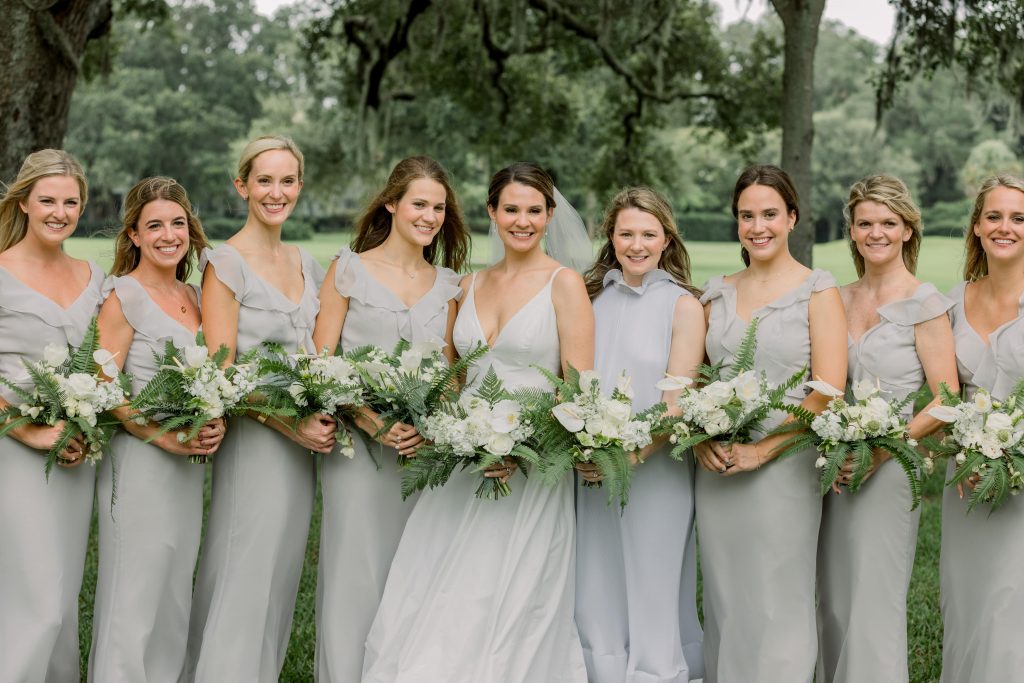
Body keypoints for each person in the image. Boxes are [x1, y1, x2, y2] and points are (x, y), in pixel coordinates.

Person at [362, 162, 594, 682]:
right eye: (511, 209)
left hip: (530, 469)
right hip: (462, 464)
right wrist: (449, 432)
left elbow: (576, 390)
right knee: (443, 589)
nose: (522, 221)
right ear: (493, 212)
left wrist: (520, 448)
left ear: (550, 215)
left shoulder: (565, 285)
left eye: (534, 211)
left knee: (511, 597)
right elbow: (452, 380)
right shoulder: (466, 286)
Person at [311, 156, 469, 682]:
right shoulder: (349, 268)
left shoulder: (448, 284)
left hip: (420, 456)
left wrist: (430, 423)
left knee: (414, 576)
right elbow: (322, 361)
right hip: (356, 453)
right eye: (419, 204)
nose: (429, 216)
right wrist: (371, 419)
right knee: (355, 573)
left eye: (438, 208)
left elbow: (450, 373)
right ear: (391, 203)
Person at [182, 136, 332, 683]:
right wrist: (288, 422)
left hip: (301, 451)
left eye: (287, 180)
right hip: (254, 444)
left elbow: (321, 356)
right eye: (264, 181)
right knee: (243, 571)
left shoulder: (306, 262)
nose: (277, 192)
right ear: (242, 186)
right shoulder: (224, 263)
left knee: (278, 576)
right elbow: (222, 374)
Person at [693, 164, 847, 683]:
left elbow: (828, 388)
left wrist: (764, 450)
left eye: (769, 215)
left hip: (786, 465)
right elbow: (692, 380)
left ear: (792, 218)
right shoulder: (714, 293)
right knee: (727, 595)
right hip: (718, 469)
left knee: (780, 595)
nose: (757, 226)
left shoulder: (817, 290)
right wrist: (699, 443)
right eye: (746, 216)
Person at [816, 175, 957, 683]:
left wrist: (882, 450)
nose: (876, 232)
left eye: (888, 223)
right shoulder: (834, 295)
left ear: (907, 231)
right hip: (827, 465)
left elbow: (947, 399)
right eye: (865, 223)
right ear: (851, 231)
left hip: (891, 465)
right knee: (830, 596)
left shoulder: (925, 303)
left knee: (874, 599)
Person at [88, 177, 226, 682]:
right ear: (134, 236)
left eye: (178, 223)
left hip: (187, 471)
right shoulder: (124, 296)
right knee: (134, 593)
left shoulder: (195, 293)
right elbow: (105, 388)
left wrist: (213, 418)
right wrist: (164, 436)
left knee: (172, 590)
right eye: (155, 226)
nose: (169, 235)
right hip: (143, 461)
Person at [575, 186, 706, 682]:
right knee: (597, 577)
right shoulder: (591, 298)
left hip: (656, 468)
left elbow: (678, 400)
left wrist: (632, 455)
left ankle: (658, 671)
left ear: (666, 239)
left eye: (649, 234)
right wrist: (588, 448)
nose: (637, 244)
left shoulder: (683, 306)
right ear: (610, 236)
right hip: (591, 464)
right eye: (626, 233)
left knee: (654, 579)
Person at [0, 149, 104, 683]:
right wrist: (31, 430)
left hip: (76, 454)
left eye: (71, 201)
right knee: (35, 599)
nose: (60, 212)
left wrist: (86, 424)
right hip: (14, 450)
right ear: (24, 201)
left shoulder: (94, 275)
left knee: (62, 599)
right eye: (48, 200)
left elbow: (110, 364)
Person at [940, 174, 1024, 682]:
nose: (1005, 227)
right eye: (994, 216)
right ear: (976, 226)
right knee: (966, 599)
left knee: (1009, 602)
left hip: (1021, 482)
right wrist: (965, 449)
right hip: (966, 476)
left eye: (1018, 218)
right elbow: (943, 395)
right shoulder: (954, 301)